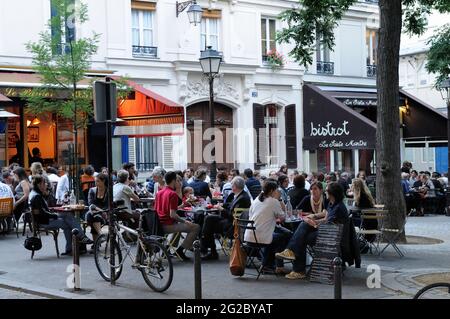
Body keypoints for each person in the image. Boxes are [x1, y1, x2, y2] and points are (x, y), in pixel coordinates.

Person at [276, 182, 349, 279]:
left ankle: (297, 266)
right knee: (303, 230)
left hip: (331, 235)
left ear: (332, 193)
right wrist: (314, 220)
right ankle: (294, 260)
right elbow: (326, 220)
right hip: (327, 231)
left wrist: (313, 223)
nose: (325, 192)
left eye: (326, 190)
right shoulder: (333, 204)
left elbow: (328, 226)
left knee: (302, 235)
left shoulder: (338, 208)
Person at [29, 175, 93, 255]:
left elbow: (45, 210)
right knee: (68, 218)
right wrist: (55, 215)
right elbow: (43, 213)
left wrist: (48, 196)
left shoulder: (35, 194)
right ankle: (81, 237)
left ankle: (71, 248)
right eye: (44, 183)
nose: (46, 185)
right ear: (39, 185)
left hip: (43, 219)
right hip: (44, 221)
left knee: (67, 219)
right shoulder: (37, 197)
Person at [244, 180, 291, 274]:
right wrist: (280, 200)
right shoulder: (273, 201)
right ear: (271, 191)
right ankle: (277, 266)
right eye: (276, 190)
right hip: (261, 238)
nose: (277, 192)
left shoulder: (257, 199)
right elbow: (283, 218)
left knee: (275, 236)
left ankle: (268, 264)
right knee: (283, 236)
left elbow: (251, 215)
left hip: (249, 236)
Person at [201, 176, 251, 260]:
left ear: (235, 186)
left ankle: (206, 248)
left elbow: (232, 216)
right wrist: (223, 205)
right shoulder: (241, 195)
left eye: (232, 184)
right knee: (208, 219)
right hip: (233, 222)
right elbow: (231, 206)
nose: (231, 186)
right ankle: (207, 248)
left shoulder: (242, 198)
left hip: (234, 226)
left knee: (209, 223)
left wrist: (221, 209)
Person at [155, 171, 200, 261]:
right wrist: (185, 221)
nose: (179, 182)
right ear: (173, 181)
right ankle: (181, 250)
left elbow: (159, 210)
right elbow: (173, 215)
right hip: (167, 225)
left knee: (179, 224)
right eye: (177, 180)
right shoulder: (172, 194)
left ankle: (167, 249)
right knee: (195, 227)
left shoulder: (159, 193)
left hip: (158, 224)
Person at [86, 173, 109, 243]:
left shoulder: (108, 191)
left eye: (98, 181)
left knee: (94, 218)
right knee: (93, 215)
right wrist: (101, 211)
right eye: (95, 181)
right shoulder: (92, 190)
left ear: (103, 181)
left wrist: (103, 212)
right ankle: (100, 234)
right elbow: (91, 204)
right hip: (95, 212)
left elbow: (108, 205)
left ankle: (96, 244)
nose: (95, 183)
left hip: (105, 214)